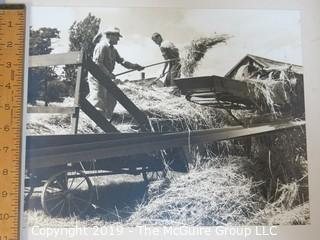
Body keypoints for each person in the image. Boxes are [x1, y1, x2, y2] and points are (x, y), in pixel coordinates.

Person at [87, 27, 144, 119]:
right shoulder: (102, 46)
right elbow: (97, 63)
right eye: (117, 36)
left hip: (105, 77)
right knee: (98, 101)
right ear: (109, 35)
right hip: (97, 77)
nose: (118, 39)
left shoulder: (113, 50)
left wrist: (135, 66)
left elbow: (122, 61)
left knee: (112, 99)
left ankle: (106, 121)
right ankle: (95, 124)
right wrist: (109, 74)